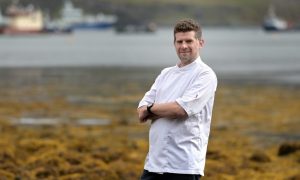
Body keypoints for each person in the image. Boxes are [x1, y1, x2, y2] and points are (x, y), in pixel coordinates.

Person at [137, 18, 218, 180]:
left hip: (184, 166)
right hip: (154, 164)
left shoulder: (205, 75)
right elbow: (141, 112)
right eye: (179, 41)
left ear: (200, 43)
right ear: (174, 44)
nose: (184, 46)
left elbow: (181, 110)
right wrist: (160, 109)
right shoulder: (165, 74)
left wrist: (152, 109)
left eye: (189, 41)